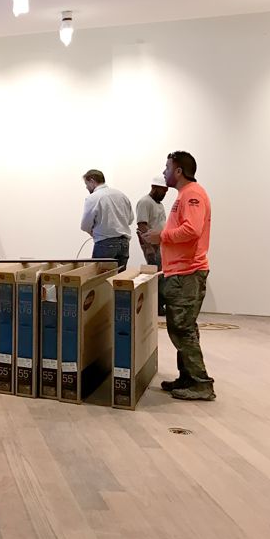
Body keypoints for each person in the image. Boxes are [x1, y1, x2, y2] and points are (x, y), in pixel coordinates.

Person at [141, 151, 215, 401]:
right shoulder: (185, 194)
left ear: (179, 171)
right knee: (182, 326)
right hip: (181, 272)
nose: (164, 172)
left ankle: (201, 383)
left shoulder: (192, 195)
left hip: (187, 273)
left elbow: (192, 230)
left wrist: (160, 236)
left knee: (182, 328)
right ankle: (188, 378)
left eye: (167, 167)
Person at [80, 169, 133, 272]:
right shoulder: (122, 195)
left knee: (100, 280)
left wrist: (92, 232)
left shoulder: (93, 198)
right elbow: (130, 219)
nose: (86, 187)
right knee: (120, 278)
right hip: (124, 244)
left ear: (92, 181)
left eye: (86, 184)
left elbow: (85, 225)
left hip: (105, 244)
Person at [136, 176, 169, 316]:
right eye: (163, 190)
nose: (165, 193)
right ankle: (156, 306)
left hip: (161, 244)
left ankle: (159, 305)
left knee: (162, 274)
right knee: (157, 275)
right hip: (152, 246)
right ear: (154, 187)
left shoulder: (159, 204)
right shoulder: (145, 202)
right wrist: (149, 246)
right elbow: (141, 225)